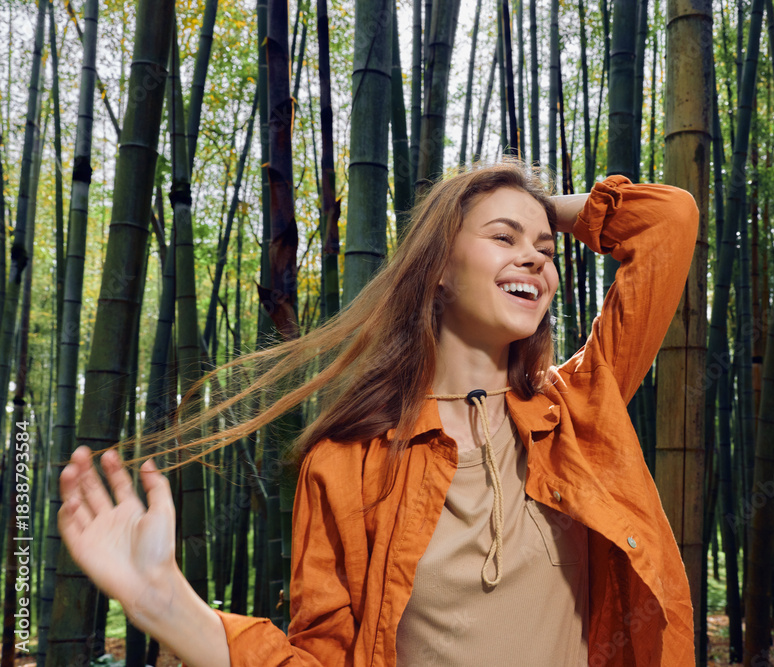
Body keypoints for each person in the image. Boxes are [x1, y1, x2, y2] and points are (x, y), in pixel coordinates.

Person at [58, 161, 699, 666]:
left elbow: (668, 222)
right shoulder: (346, 464)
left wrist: (543, 211)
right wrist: (165, 602)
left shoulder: (578, 410)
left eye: (546, 250)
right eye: (502, 237)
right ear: (439, 267)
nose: (535, 258)